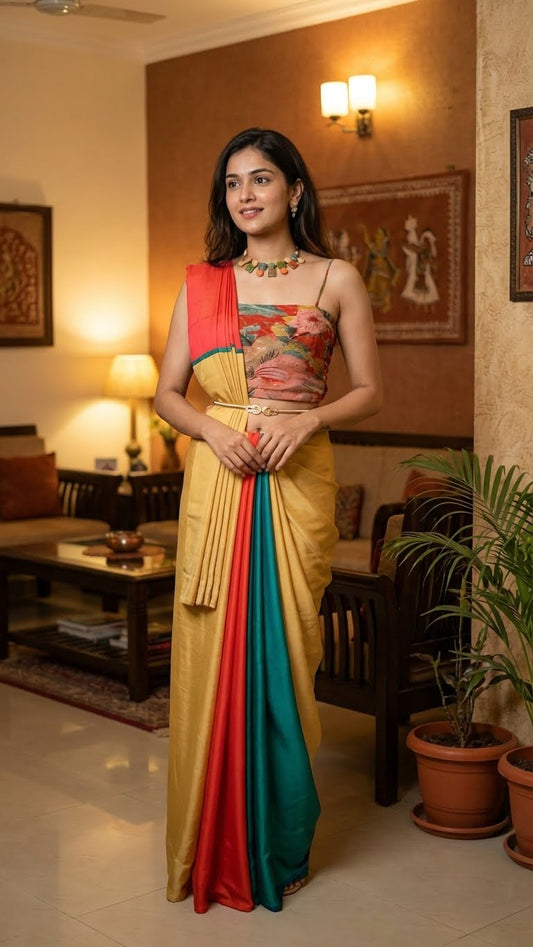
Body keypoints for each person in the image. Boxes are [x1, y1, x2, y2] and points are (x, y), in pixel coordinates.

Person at [154, 127, 383, 914]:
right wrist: (214, 431)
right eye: (231, 184)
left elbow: (368, 392)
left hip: (296, 480)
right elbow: (168, 392)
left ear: (292, 187)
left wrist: (306, 422)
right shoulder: (203, 285)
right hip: (219, 479)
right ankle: (213, 839)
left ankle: (279, 841)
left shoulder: (335, 278)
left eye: (259, 179)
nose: (244, 195)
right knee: (214, 647)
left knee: (287, 654)